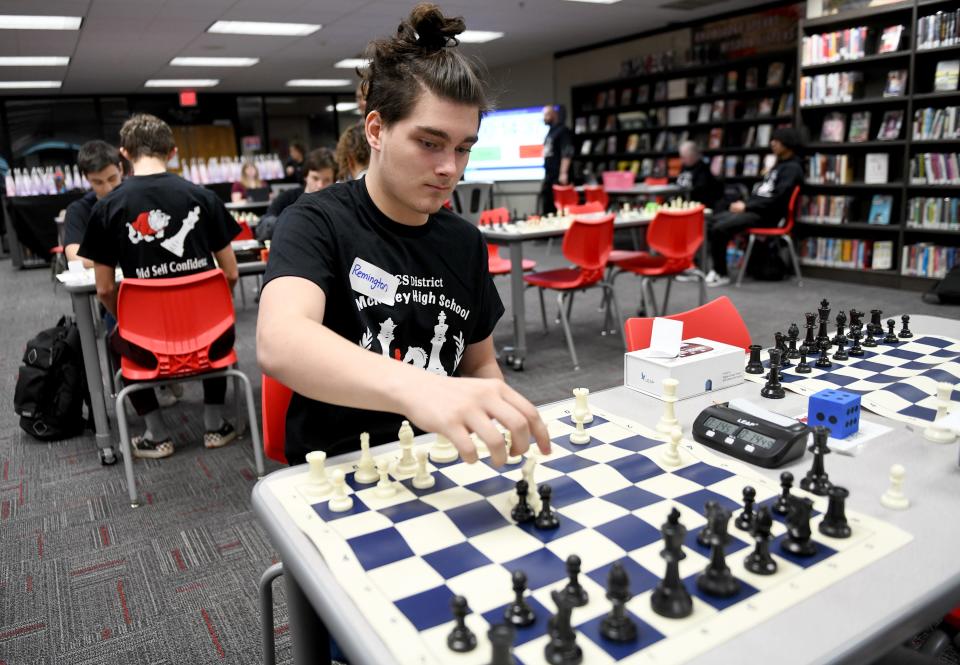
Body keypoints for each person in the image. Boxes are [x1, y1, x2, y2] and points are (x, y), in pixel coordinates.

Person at [257, 3, 550, 468]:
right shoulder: (315, 221)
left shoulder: (464, 241)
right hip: (345, 466)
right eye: (429, 143)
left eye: (463, 148)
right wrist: (421, 388)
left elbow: (477, 365)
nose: (449, 168)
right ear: (376, 130)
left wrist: (496, 408)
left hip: (444, 458)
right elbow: (280, 339)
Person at [79, 113, 241, 459]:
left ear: (124, 153)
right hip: (209, 338)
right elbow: (230, 273)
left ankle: (156, 434)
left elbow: (105, 290)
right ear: (173, 151)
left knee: (115, 341)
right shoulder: (204, 197)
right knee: (219, 328)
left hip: (145, 344)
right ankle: (215, 425)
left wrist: (129, 322)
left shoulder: (107, 207)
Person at [705, 127, 804, 287]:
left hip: (766, 215)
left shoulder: (792, 169)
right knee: (711, 221)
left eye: (777, 141)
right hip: (755, 209)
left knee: (720, 228)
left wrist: (746, 206)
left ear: (788, 144)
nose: (772, 144)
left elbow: (777, 199)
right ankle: (713, 268)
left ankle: (721, 273)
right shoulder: (779, 165)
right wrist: (745, 204)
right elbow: (763, 192)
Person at [255, 148, 337, 241]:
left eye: (327, 180)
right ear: (306, 176)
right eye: (315, 178)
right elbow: (262, 227)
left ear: (334, 181)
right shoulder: (287, 198)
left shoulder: (336, 205)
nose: (320, 185)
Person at [63, 140, 124, 266]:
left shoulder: (137, 198)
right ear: (86, 179)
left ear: (121, 169)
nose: (108, 188)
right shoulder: (78, 210)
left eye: (112, 179)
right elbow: (74, 257)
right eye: (98, 182)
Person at [540, 104, 574, 216]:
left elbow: (567, 152)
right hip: (549, 177)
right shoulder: (551, 131)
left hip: (558, 177)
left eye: (546, 115)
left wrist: (563, 173)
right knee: (548, 208)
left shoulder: (563, 131)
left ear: (553, 115)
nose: (544, 118)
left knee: (559, 210)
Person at [676, 140, 723, 211]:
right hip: (683, 206)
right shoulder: (684, 167)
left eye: (684, 157)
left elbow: (700, 191)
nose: (682, 160)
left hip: (699, 207)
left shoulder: (703, 169)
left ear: (693, 155)